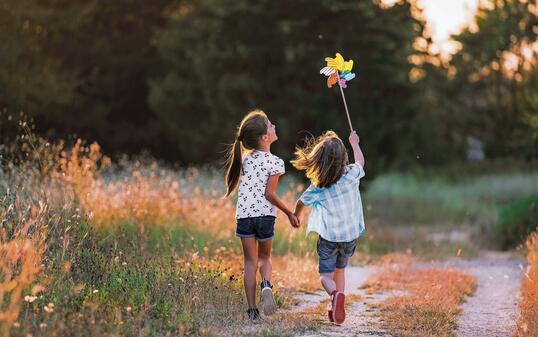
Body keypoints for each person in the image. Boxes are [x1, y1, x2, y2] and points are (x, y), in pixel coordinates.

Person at [224, 109, 299, 322]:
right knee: (265, 258)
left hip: (245, 216)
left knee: (249, 262)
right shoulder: (275, 162)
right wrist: (289, 212)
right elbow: (269, 194)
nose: (274, 125)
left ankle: (251, 311)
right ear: (265, 137)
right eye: (270, 125)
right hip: (265, 216)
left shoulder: (244, 160)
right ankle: (266, 284)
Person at [292, 130, 366, 325]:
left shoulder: (319, 184)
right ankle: (338, 303)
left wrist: (296, 216)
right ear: (343, 158)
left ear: (320, 159)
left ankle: (334, 295)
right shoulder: (351, 174)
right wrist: (355, 143)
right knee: (340, 271)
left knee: (325, 276)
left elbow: (301, 202)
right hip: (349, 236)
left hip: (329, 238)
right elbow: (361, 162)